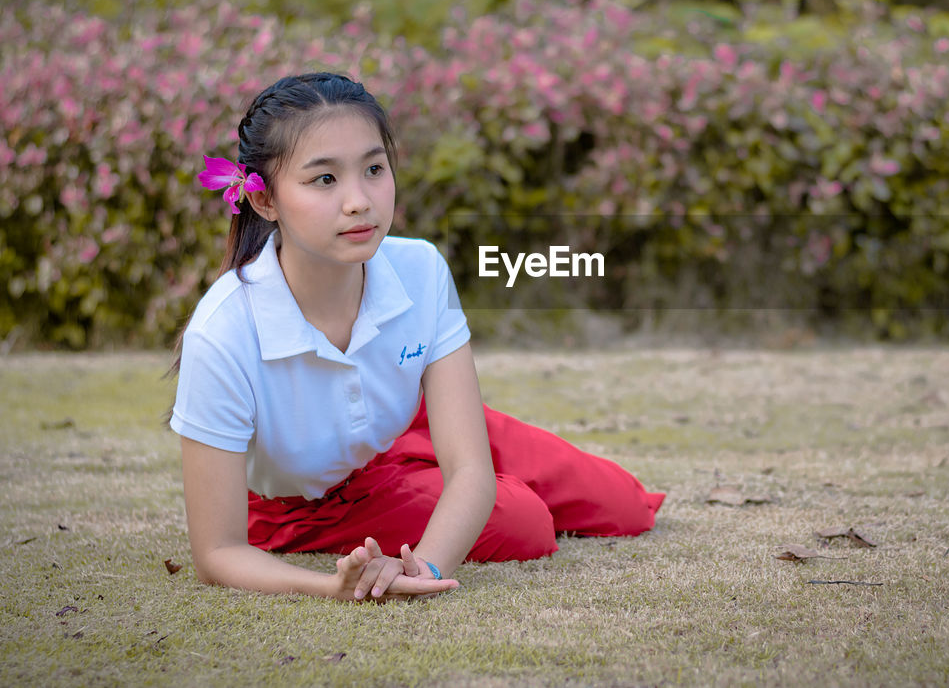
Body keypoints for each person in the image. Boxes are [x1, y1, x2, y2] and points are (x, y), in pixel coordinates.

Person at [170, 72, 663, 602]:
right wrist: (331, 587)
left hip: (405, 429)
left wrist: (425, 563)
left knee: (624, 505)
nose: (359, 201)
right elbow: (216, 552)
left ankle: (421, 467)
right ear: (265, 201)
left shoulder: (421, 267)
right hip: (308, 503)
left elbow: (470, 466)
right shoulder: (223, 331)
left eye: (374, 169)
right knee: (524, 521)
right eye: (324, 180)